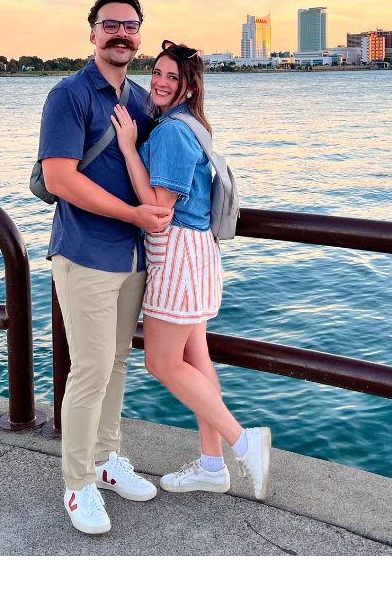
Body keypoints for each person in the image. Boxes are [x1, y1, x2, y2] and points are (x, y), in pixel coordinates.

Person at [38, 0, 175, 535]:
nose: (121, 33)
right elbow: (59, 178)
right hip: (87, 254)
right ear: (92, 32)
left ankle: (104, 458)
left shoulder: (142, 100)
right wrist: (135, 215)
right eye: (110, 24)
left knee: (117, 362)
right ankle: (77, 484)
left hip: (132, 257)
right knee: (90, 370)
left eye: (131, 25)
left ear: (139, 35)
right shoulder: (69, 96)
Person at [111, 40, 272, 501]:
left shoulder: (171, 134)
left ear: (187, 87)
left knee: (161, 363)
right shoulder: (191, 127)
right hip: (197, 253)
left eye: (172, 77)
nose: (160, 82)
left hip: (176, 253)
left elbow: (158, 208)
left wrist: (126, 147)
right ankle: (211, 465)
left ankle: (244, 443)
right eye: (157, 73)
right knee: (196, 360)